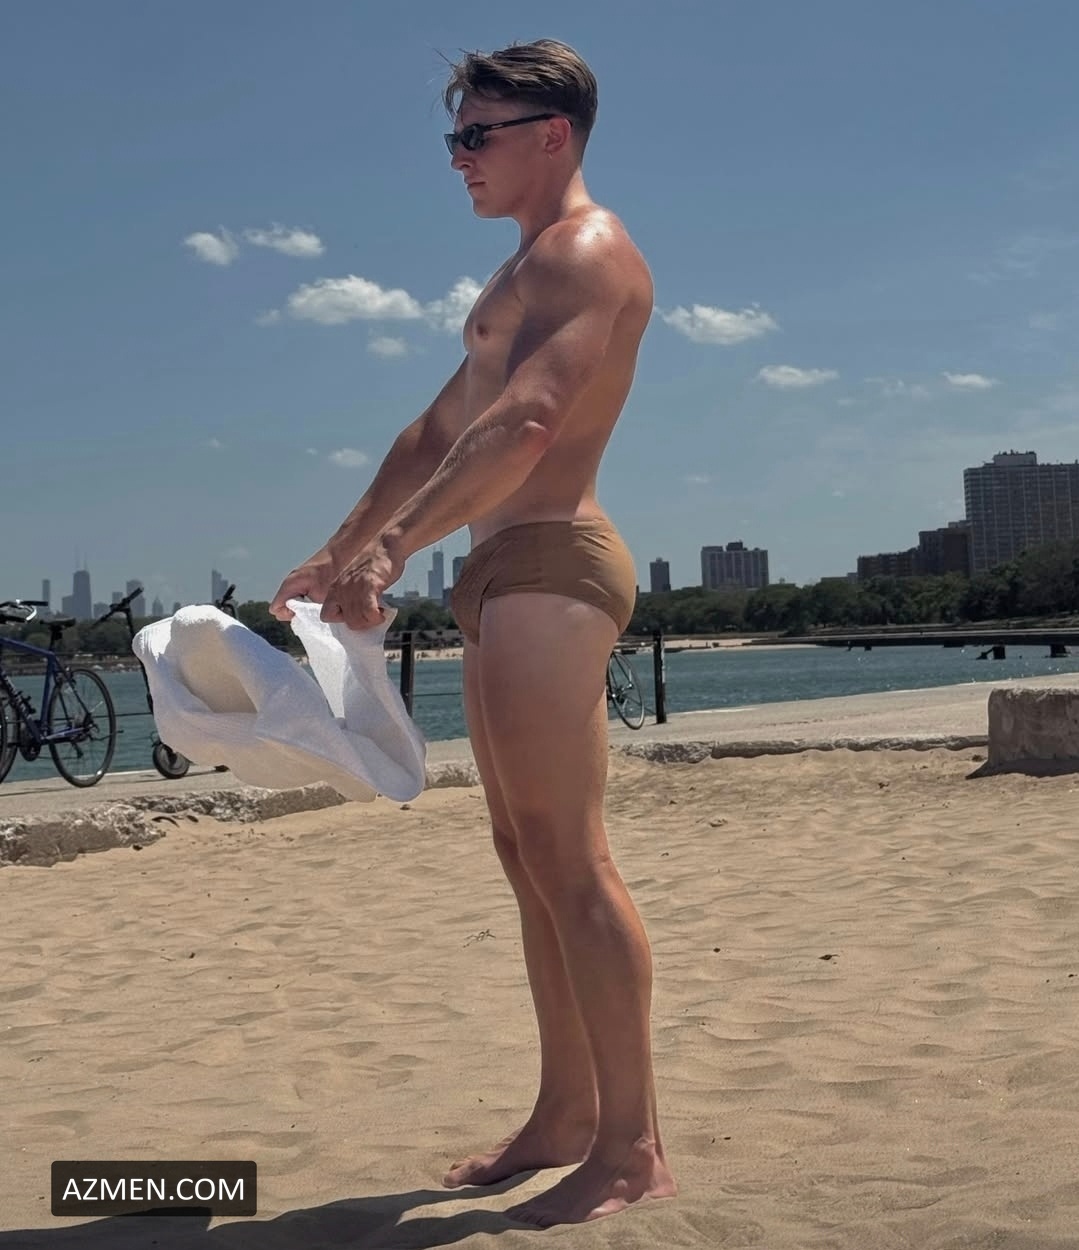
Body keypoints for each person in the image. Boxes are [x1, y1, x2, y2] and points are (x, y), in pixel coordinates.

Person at [269, 38, 676, 1227]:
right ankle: (563, 1113)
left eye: (475, 135)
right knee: (522, 850)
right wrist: (341, 546)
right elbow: (436, 429)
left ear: (551, 134)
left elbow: (528, 422)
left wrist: (392, 548)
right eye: (452, 137)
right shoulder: (517, 275)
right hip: (500, 568)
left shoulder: (586, 250)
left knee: (570, 854)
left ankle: (631, 1144)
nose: (456, 158)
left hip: (552, 558)